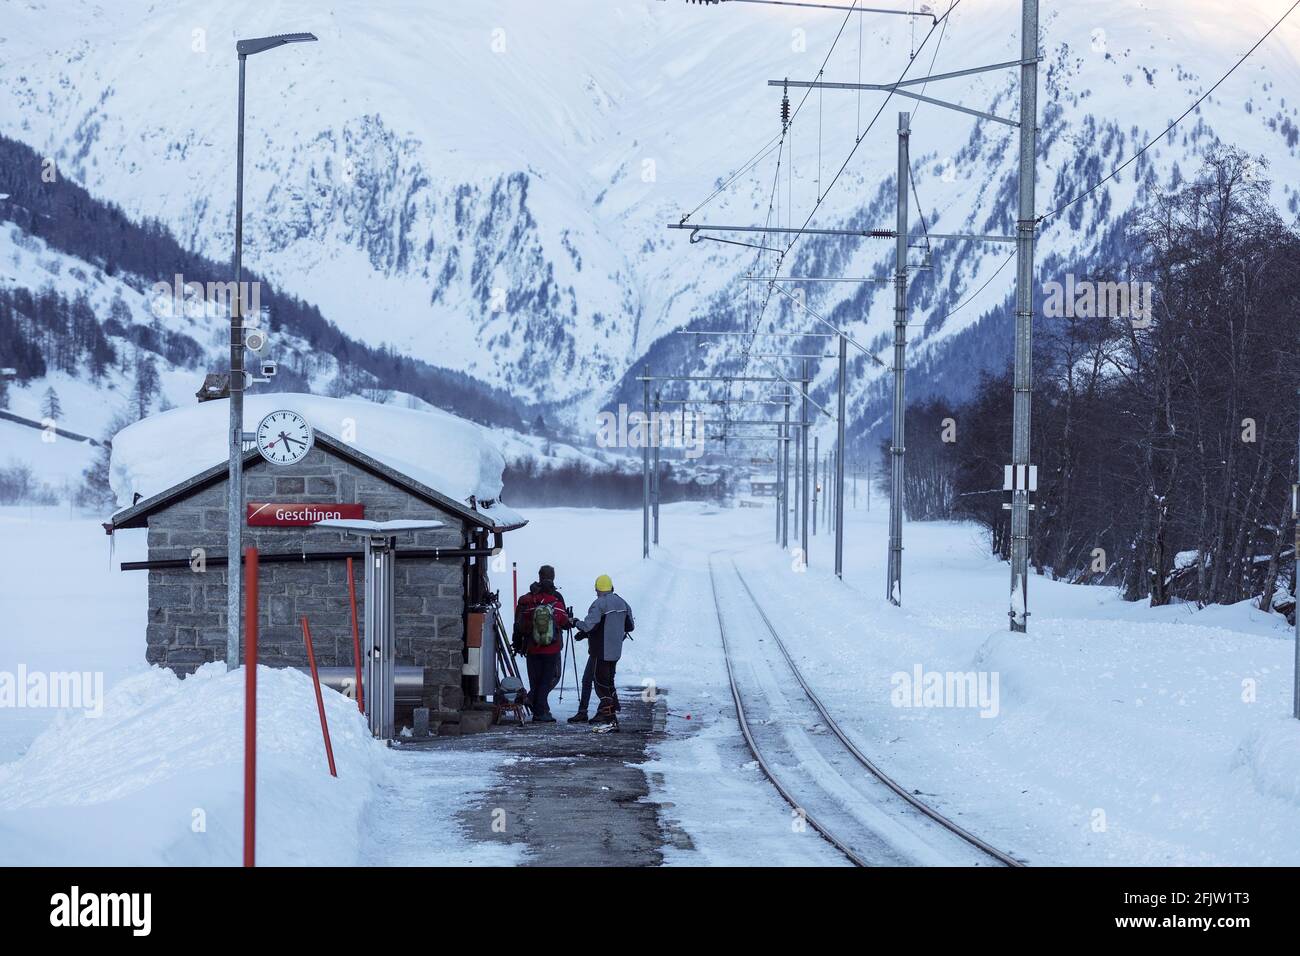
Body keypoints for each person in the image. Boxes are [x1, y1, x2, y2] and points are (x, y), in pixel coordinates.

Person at [571, 574, 634, 731]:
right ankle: (610, 714)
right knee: (608, 682)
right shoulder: (623, 602)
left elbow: (589, 625)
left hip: (600, 651)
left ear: (598, 589)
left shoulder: (599, 603)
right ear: (611, 587)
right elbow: (630, 626)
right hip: (615, 651)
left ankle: (610, 720)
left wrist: (575, 622)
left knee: (600, 685)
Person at [512, 564, 570, 722]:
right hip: (552, 647)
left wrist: (516, 642)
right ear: (553, 577)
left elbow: (518, 624)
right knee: (549, 678)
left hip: (531, 646)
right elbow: (564, 621)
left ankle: (539, 706)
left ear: (539, 576)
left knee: (536, 679)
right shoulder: (556, 599)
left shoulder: (527, 599)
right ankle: (539, 709)